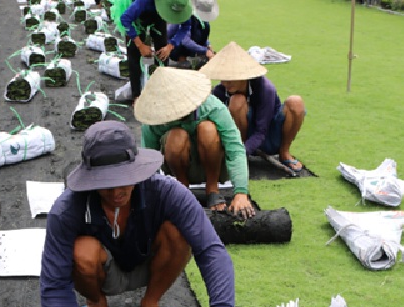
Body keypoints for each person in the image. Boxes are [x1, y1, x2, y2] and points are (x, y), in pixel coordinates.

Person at [40, 121, 238, 307]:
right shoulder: (67, 210)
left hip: (150, 263)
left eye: (124, 179)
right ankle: (97, 304)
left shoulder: (167, 191)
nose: (117, 191)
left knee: (179, 232)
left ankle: (150, 305)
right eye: (107, 183)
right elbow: (54, 286)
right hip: (99, 270)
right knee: (81, 251)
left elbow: (211, 251)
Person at [134, 66, 256, 217]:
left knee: (207, 129)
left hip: (213, 163)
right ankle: (182, 189)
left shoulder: (211, 106)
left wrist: (241, 193)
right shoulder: (154, 119)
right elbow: (148, 161)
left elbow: (235, 148)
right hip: (176, 164)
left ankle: (212, 189)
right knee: (176, 136)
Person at [200, 41, 307, 173]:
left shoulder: (266, 89)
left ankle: (284, 152)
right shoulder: (222, 89)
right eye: (223, 78)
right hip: (242, 137)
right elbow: (208, 112)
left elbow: (261, 131)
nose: (226, 83)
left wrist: (241, 153)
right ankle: (241, 151)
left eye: (231, 78)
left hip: (269, 133)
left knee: (296, 102)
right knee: (236, 101)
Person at [113, 0, 193, 102]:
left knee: (162, 52)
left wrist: (170, 46)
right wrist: (140, 45)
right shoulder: (142, 3)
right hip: (137, 17)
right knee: (134, 55)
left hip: (158, 16)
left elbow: (186, 26)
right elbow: (125, 19)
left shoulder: (182, 4)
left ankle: (161, 90)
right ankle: (136, 95)